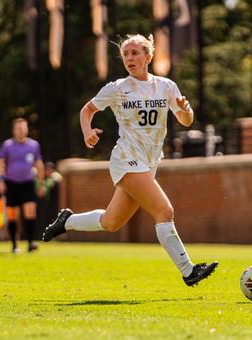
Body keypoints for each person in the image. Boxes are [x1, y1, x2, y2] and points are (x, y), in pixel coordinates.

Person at [43, 34, 218, 286]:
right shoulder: (117, 88)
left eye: (135, 53)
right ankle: (189, 271)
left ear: (148, 56)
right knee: (164, 210)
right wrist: (87, 131)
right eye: (125, 54)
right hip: (126, 159)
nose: (129, 58)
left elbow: (185, 120)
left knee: (111, 222)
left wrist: (187, 111)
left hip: (149, 162)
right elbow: (87, 110)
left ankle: (67, 221)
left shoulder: (166, 86)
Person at [0, 117, 46, 253]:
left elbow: (39, 164)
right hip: (11, 183)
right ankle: (14, 245)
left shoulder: (34, 145)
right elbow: (0, 163)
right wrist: (0, 180)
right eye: (18, 128)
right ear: (14, 130)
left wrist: (41, 183)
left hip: (28, 183)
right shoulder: (7, 145)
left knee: (30, 211)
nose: (21, 130)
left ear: (27, 129)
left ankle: (30, 243)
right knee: (13, 215)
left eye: (23, 127)